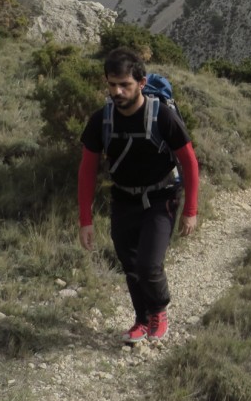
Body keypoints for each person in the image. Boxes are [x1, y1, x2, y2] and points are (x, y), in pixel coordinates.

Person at [77, 47, 199, 344]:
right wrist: (85, 219)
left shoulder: (163, 117)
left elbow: (190, 163)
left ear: (141, 83)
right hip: (123, 200)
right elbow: (86, 171)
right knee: (130, 264)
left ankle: (158, 310)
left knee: (148, 264)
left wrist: (191, 210)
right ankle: (141, 319)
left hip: (162, 198)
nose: (117, 91)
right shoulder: (100, 121)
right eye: (111, 84)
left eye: (125, 85)